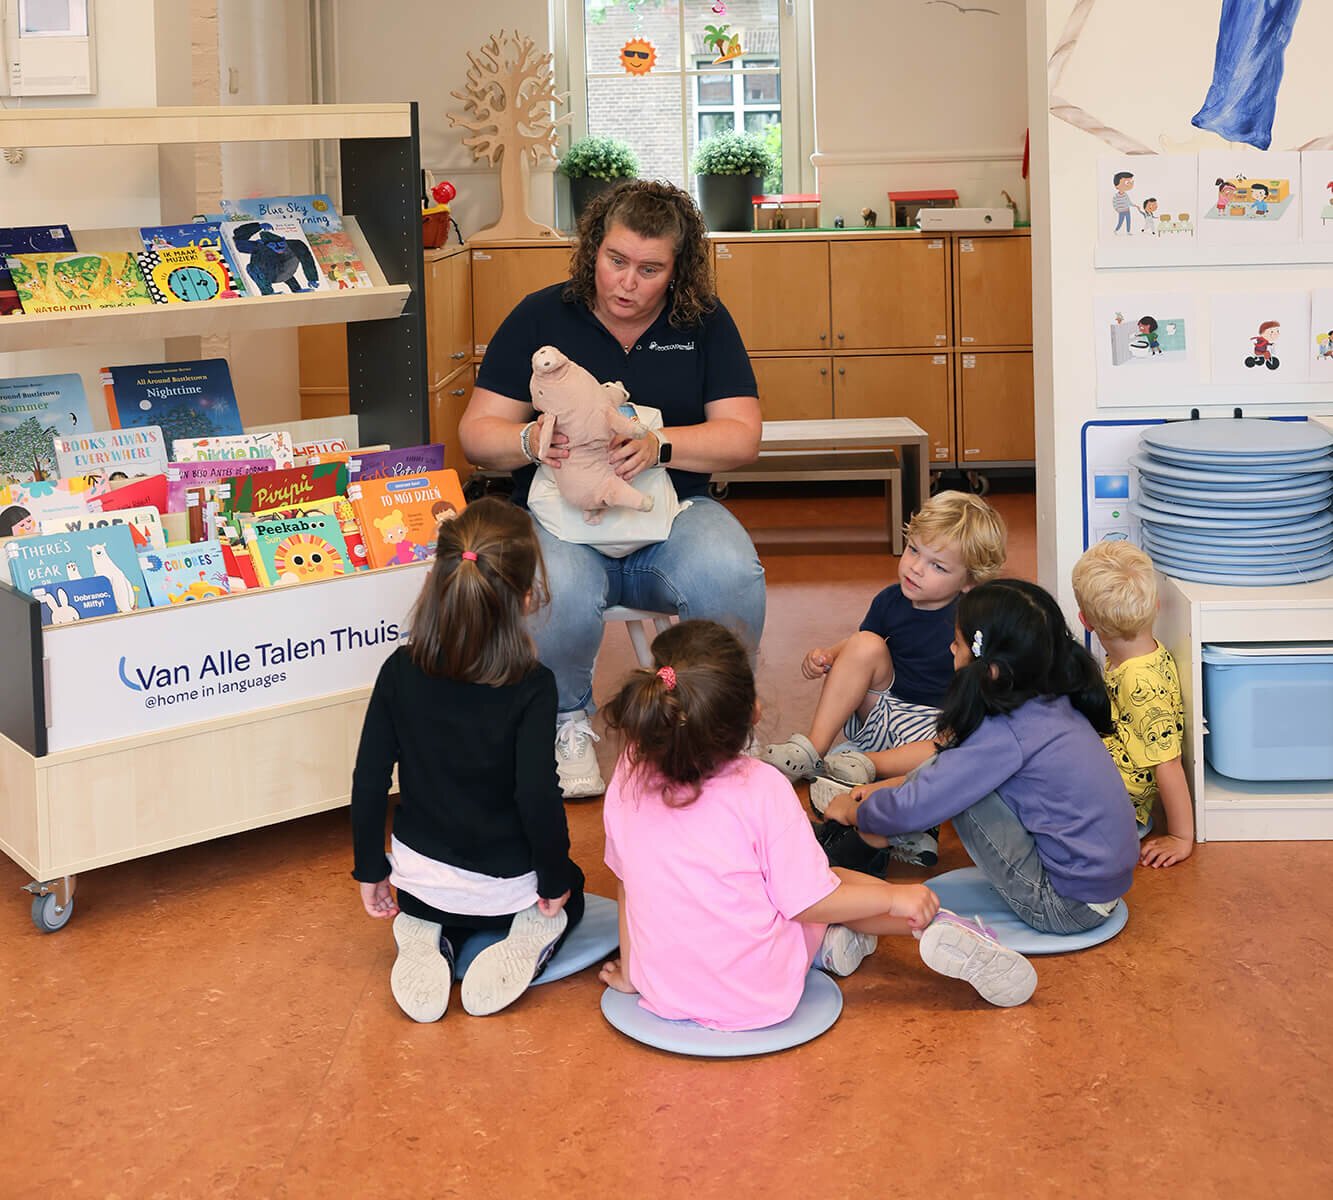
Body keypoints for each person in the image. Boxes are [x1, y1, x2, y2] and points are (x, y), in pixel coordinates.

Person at [459, 179, 765, 800]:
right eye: (615, 260)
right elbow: (475, 433)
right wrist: (527, 441)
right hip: (562, 519)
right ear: (593, 249)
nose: (627, 283)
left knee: (731, 573)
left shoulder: (704, 321)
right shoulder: (541, 315)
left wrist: (660, 444)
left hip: (672, 512)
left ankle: (721, 718)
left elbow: (742, 436)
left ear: (678, 270)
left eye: (650, 270)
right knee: (554, 585)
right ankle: (565, 721)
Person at [598, 619, 1039, 1025]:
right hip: (757, 989)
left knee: (760, 889)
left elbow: (626, 879)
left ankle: (827, 949)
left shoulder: (629, 769)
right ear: (751, 710)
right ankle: (935, 921)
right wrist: (895, 898)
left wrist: (634, 974)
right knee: (835, 880)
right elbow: (808, 901)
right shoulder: (761, 787)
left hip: (666, 986)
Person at [350, 497, 586, 1022]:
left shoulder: (398, 669)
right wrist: (554, 879)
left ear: (438, 582)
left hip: (418, 883)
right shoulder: (533, 685)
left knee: (433, 903)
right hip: (507, 888)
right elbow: (536, 795)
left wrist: (370, 868)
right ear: (526, 597)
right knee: (575, 890)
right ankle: (527, 934)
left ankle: (426, 930)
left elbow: (369, 779)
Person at [818, 580, 1139, 935]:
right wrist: (889, 789)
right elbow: (951, 765)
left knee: (960, 789)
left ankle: (867, 841)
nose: (950, 647)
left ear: (992, 669)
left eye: (957, 642)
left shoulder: (1006, 730)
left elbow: (938, 790)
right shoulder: (1048, 697)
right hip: (1097, 889)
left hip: (1064, 906)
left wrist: (856, 812)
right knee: (958, 774)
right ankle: (879, 831)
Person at [759, 491, 1007, 866]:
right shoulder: (890, 600)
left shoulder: (970, 620)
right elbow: (860, 644)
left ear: (969, 582)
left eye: (938, 566)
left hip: (933, 729)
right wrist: (830, 654)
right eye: (913, 550)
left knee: (957, 744)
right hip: (885, 711)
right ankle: (812, 750)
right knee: (865, 644)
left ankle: (896, 803)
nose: (916, 568)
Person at [1072, 541, 1193, 867]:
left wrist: (1181, 836)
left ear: (1086, 621)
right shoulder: (1137, 656)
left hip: (1116, 802)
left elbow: (1168, 763)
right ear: (1156, 606)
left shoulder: (1140, 681)